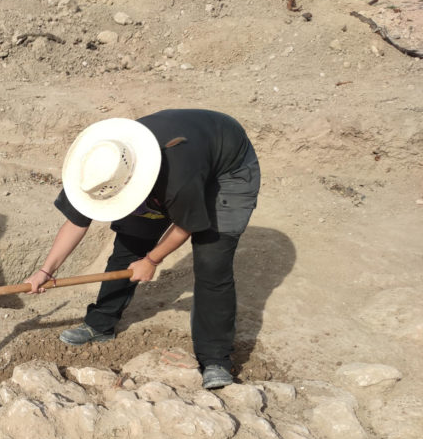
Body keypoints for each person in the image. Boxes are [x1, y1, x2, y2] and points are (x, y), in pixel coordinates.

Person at [25, 110, 260, 389]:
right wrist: (45, 270)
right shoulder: (96, 166)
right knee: (129, 244)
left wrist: (151, 260)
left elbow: (186, 227)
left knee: (212, 263)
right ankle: (100, 325)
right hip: (181, 162)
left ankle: (215, 359)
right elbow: (76, 222)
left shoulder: (177, 177)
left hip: (228, 167)